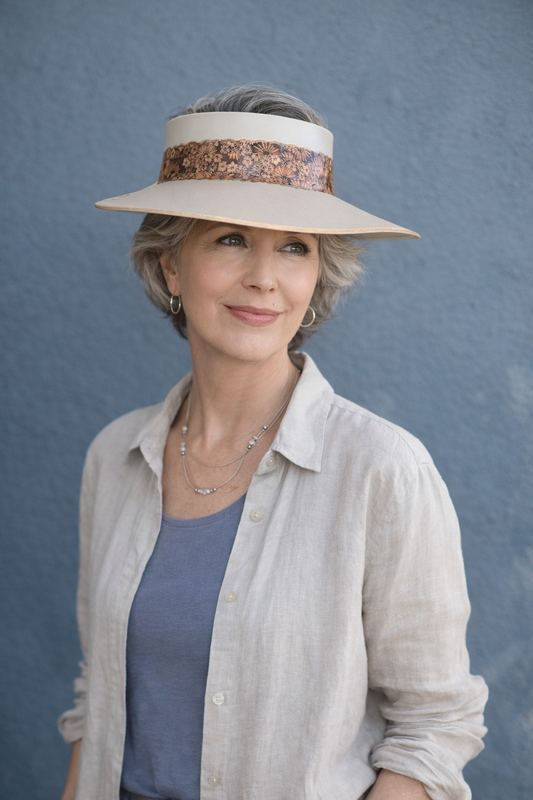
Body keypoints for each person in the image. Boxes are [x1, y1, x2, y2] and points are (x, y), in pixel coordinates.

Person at [59, 86, 488, 800]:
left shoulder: (380, 469)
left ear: (316, 275)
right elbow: (95, 702)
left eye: (293, 247)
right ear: (170, 265)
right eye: (229, 238)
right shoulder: (114, 457)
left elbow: (434, 727)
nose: (264, 277)